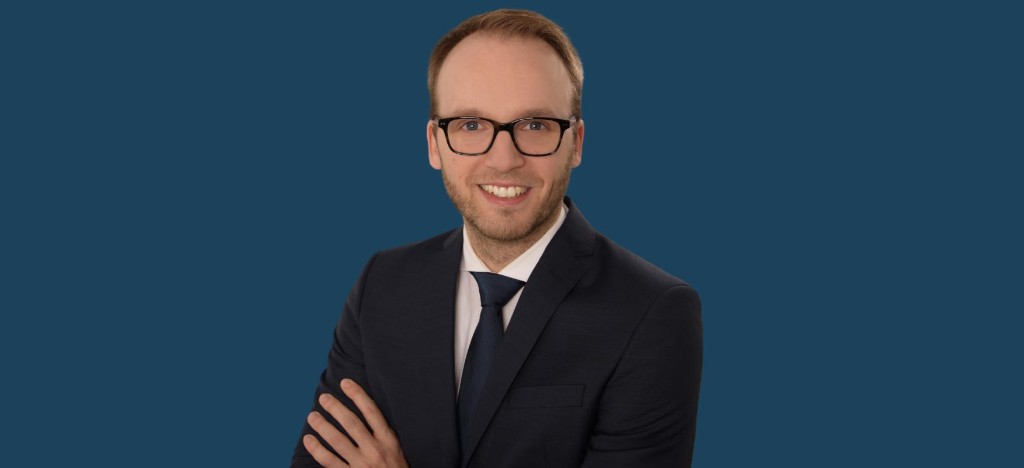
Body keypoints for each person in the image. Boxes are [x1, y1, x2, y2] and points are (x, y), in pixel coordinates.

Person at [292, 9, 702, 467]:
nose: (504, 159)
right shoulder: (382, 284)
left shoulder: (651, 312)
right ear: (433, 144)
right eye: (471, 125)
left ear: (576, 143)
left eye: (535, 125)